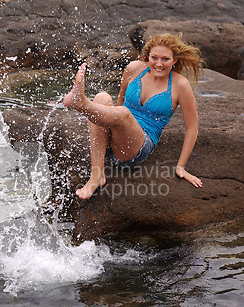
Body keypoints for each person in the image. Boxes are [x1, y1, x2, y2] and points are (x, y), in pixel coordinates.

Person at [63, 33, 204, 200]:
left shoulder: (180, 85)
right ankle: (97, 174)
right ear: (148, 56)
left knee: (123, 113)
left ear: (174, 60)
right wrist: (106, 128)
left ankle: (81, 103)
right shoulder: (134, 68)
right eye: (154, 57)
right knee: (102, 98)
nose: (158, 64)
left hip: (136, 147)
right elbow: (119, 102)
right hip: (109, 143)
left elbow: (192, 127)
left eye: (165, 59)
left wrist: (181, 167)